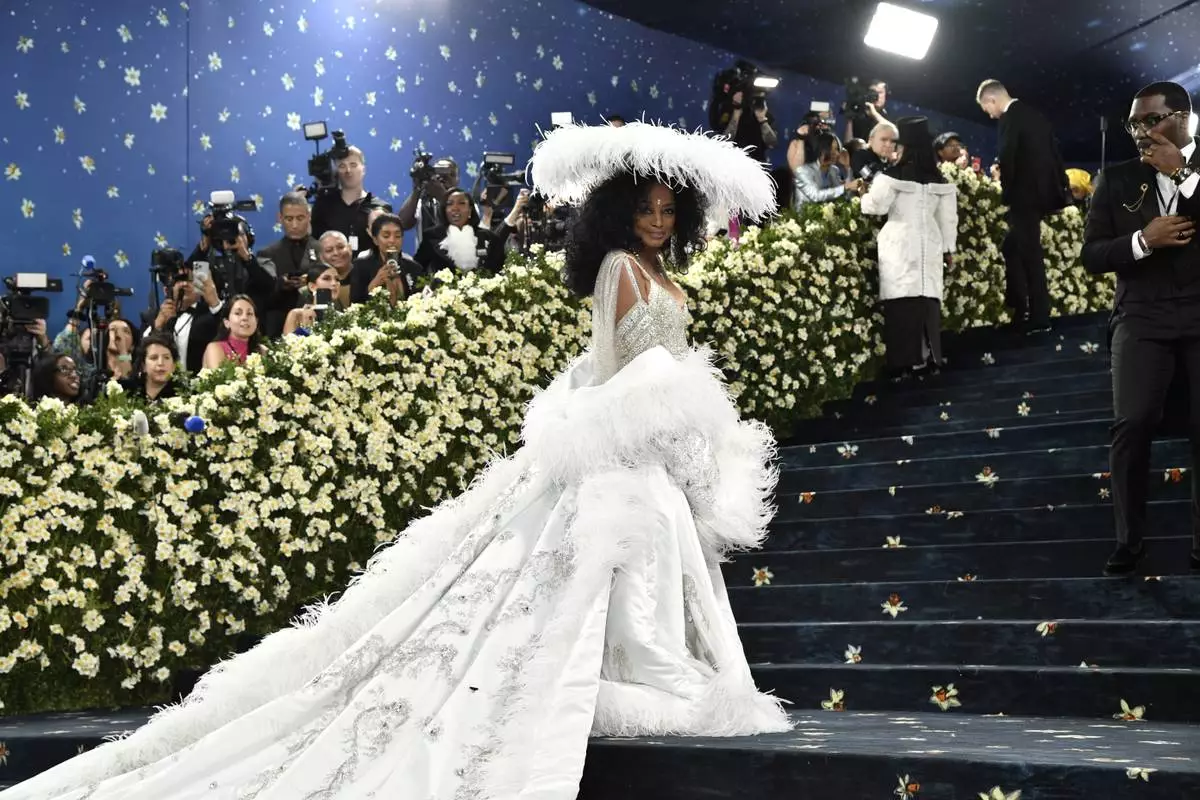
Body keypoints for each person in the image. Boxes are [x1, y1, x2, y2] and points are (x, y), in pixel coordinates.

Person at [1, 121, 789, 800]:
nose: (655, 221)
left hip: (657, 457)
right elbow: (614, 365)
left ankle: (642, 671)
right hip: (623, 449)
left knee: (650, 566)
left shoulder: (667, 274)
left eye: (665, 211)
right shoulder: (620, 270)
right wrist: (650, 420)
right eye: (644, 209)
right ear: (621, 214)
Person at [1081, 80, 1200, 575]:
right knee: (1130, 424)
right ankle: (1129, 541)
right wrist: (1142, 241)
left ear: (1184, 118)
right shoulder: (1116, 178)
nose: (1141, 131)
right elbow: (1091, 255)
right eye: (1134, 123)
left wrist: (1186, 175)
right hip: (1141, 316)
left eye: (1151, 120)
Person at [860, 117, 959, 379]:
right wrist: (950, 250)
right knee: (927, 301)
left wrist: (862, 196)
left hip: (900, 244)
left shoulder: (892, 177)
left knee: (903, 303)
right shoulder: (940, 180)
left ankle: (904, 364)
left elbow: (875, 206)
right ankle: (929, 359)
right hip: (931, 244)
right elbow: (948, 221)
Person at [976, 79, 1070, 334]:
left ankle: (1038, 315)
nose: (989, 114)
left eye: (986, 108)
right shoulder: (1036, 115)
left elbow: (1008, 156)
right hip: (1044, 195)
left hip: (1023, 197)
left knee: (1030, 254)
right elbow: (1055, 153)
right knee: (1014, 247)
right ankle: (1021, 306)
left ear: (991, 100)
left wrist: (1003, 185)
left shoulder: (1009, 119)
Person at [257, 193, 321, 338]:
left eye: (300, 218)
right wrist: (279, 286)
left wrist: (311, 282)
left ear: (309, 216)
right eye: (289, 219)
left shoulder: (323, 250)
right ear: (280, 218)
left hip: (317, 327)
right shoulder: (266, 254)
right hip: (277, 332)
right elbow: (260, 301)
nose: (295, 225)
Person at [413, 188, 516, 274]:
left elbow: (500, 271)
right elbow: (417, 269)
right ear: (444, 210)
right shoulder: (431, 236)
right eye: (450, 204)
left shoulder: (490, 238)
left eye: (461, 203)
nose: (455, 208)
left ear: (470, 210)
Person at [310, 146, 393, 252]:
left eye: (353, 165)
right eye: (342, 166)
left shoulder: (379, 208)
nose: (348, 171)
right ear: (335, 172)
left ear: (363, 169)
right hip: (331, 267)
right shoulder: (323, 205)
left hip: (369, 268)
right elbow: (313, 245)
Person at [148, 270, 224, 373]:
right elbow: (142, 351)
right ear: (166, 290)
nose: (184, 284)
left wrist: (215, 303)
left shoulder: (212, 313)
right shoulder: (154, 316)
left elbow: (228, 332)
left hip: (201, 383)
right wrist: (157, 326)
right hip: (166, 384)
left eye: (190, 280)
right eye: (179, 280)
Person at [348, 213, 423, 305]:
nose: (392, 240)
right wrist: (374, 283)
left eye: (398, 236)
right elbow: (354, 305)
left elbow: (421, 302)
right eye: (386, 236)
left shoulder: (414, 268)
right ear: (375, 239)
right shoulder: (360, 266)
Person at [397, 156, 459, 247]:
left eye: (450, 173)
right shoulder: (422, 202)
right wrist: (417, 189)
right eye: (438, 171)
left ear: (457, 179)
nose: (442, 177)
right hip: (425, 260)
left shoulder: (466, 202)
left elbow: (464, 225)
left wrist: (442, 197)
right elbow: (402, 224)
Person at [794, 132, 862, 209]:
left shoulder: (834, 170)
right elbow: (816, 196)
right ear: (821, 150)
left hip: (826, 217)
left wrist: (848, 166)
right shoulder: (803, 171)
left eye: (837, 149)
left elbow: (844, 197)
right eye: (831, 149)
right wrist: (845, 187)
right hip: (804, 218)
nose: (836, 153)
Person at [201, 295, 264, 369]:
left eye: (249, 314)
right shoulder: (215, 348)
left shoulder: (263, 351)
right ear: (227, 322)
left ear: (256, 322)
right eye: (238, 313)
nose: (245, 318)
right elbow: (218, 379)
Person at [282, 264, 344, 336]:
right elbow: (287, 346)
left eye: (337, 279)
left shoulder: (343, 317)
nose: (334, 283)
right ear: (312, 286)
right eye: (326, 278)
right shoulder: (297, 314)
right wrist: (306, 329)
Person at [121, 333, 179, 402]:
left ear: (173, 366)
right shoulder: (127, 390)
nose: (160, 363)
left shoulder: (184, 394)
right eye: (154, 358)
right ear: (143, 366)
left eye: (166, 358)